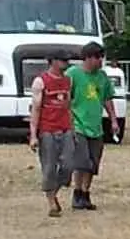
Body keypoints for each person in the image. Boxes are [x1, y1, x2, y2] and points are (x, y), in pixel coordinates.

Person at [65, 43, 116, 209]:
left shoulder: (102, 77)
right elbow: (65, 98)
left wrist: (113, 120)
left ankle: (86, 193)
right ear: (87, 58)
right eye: (97, 57)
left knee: (93, 163)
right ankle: (77, 192)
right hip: (78, 125)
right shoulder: (73, 74)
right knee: (81, 162)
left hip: (96, 127)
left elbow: (107, 99)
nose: (100, 61)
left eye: (101, 57)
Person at [28, 54, 76, 216]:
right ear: (53, 61)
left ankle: (54, 191)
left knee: (69, 165)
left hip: (65, 128)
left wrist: (73, 127)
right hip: (47, 129)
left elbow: (68, 106)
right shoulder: (41, 81)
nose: (66, 63)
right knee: (49, 167)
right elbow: (35, 108)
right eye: (63, 60)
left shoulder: (68, 81)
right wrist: (33, 135)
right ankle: (51, 201)